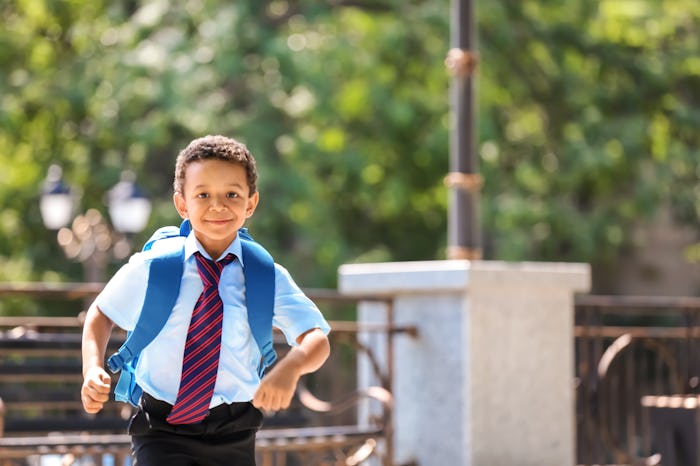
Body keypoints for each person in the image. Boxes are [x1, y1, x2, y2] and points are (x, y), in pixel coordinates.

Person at [81, 135, 331, 466]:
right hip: (162, 428)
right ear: (182, 204)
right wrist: (92, 368)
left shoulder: (265, 276)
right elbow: (100, 313)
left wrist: (292, 367)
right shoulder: (154, 267)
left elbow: (317, 338)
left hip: (235, 430)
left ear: (251, 203)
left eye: (232, 194)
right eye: (203, 194)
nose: (218, 205)